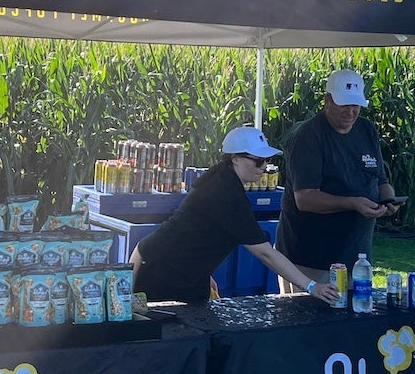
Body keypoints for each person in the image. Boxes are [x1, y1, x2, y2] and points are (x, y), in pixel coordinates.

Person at [133, 126, 342, 306]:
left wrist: (203, 273)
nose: (263, 168)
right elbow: (265, 253)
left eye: (266, 161)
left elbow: (195, 232)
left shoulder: (218, 177)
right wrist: (311, 286)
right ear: (235, 159)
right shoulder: (228, 194)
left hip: (165, 267)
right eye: (258, 161)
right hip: (159, 276)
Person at [274, 69, 400, 293]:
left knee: (352, 321)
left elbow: (380, 179)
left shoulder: (367, 130)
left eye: (356, 105)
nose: (351, 112)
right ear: (327, 101)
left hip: (357, 256)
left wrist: (388, 199)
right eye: (344, 104)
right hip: (309, 258)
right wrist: (352, 203)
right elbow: (305, 199)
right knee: (307, 323)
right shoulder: (309, 136)